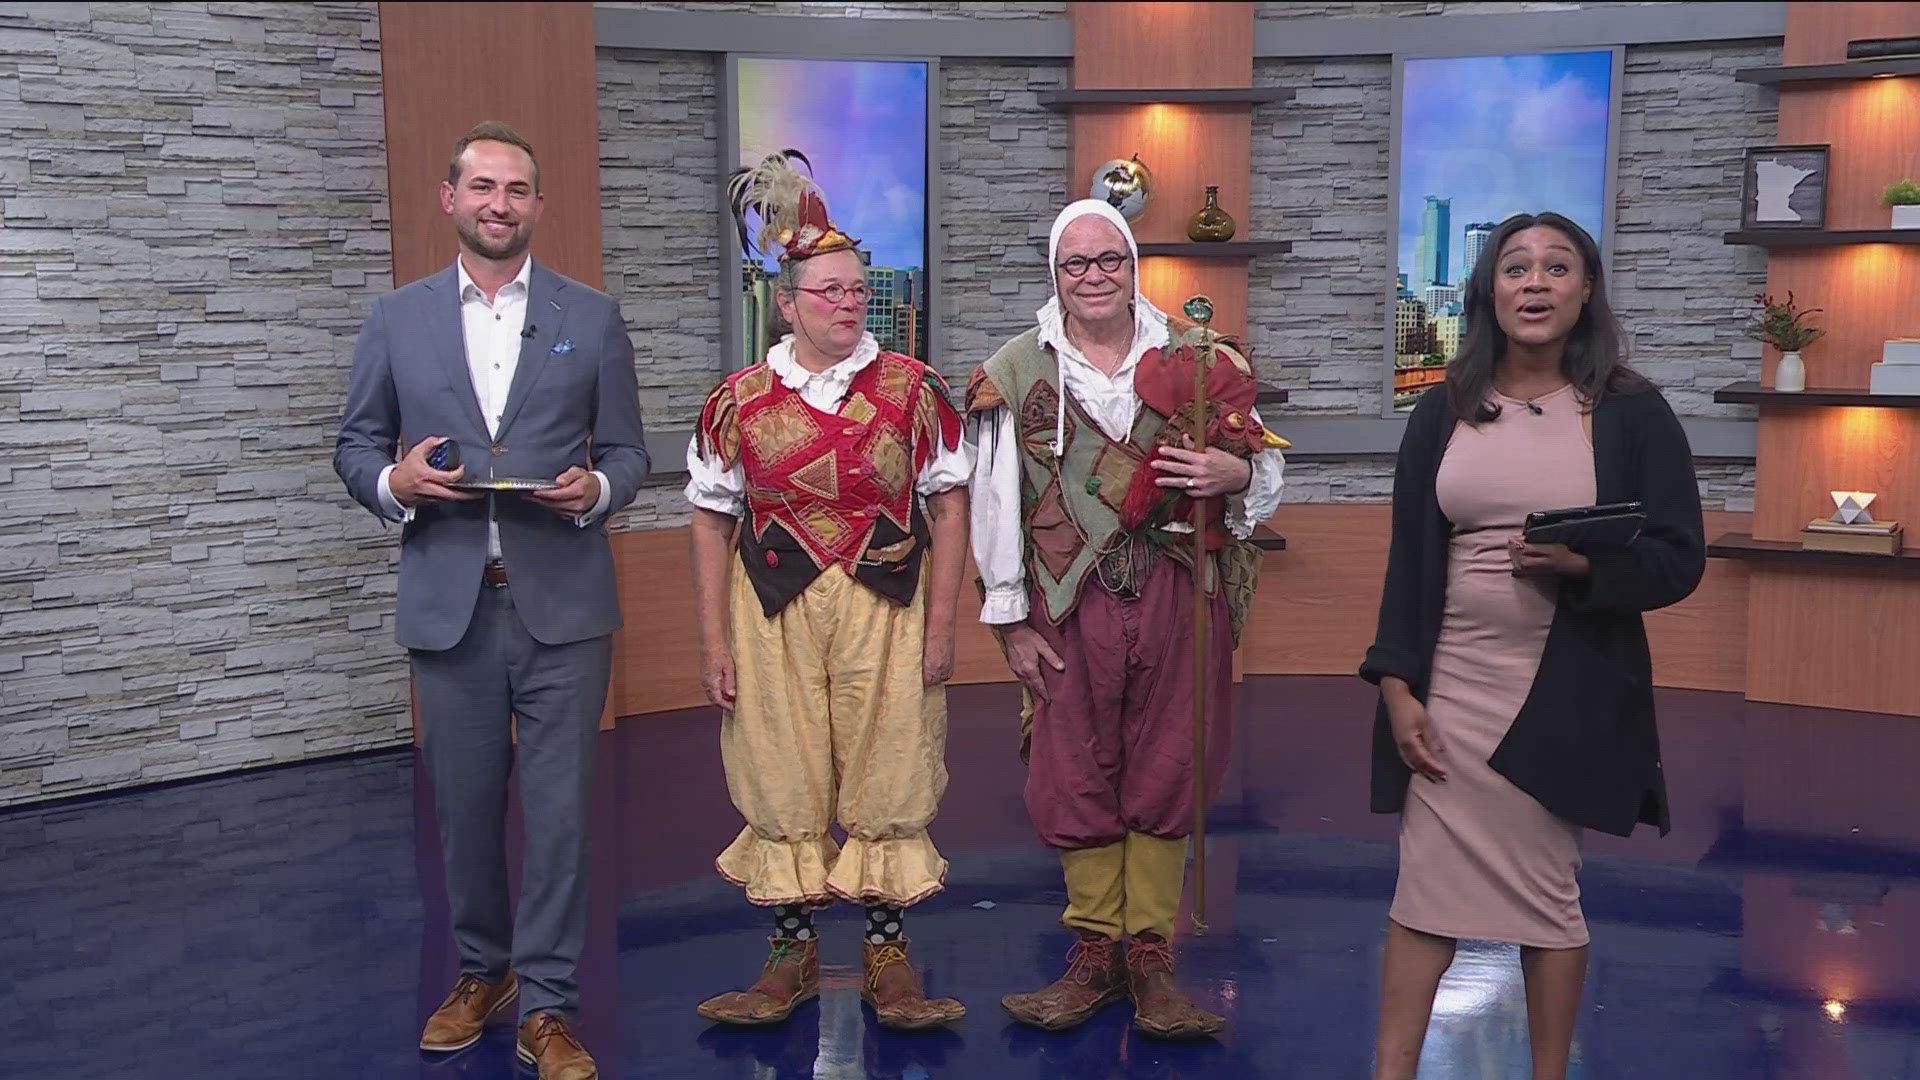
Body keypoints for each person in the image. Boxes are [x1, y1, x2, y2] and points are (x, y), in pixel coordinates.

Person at [334, 121, 649, 1080]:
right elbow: (354, 448)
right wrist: (395, 485)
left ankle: (549, 1006)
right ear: (451, 199)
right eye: (482, 188)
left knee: (559, 819)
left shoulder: (590, 317)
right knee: (465, 814)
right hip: (450, 605)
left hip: (563, 610)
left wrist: (596, 493)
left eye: (516, 189)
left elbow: (630, 454)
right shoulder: (397, 319)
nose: (498, 205)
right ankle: (484, 972)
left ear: (537, 207)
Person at [1359, 212, 1706, 1080]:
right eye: (1516, 268)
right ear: (1490, 291)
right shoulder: (1442, 408)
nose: (1536, 283)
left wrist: (1583, 567)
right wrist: (1398, 688)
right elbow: (1409, 559)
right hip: (1451, 686)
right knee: (1423, 897)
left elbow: (1678, 557)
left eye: (1558, 267)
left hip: (1565, 690)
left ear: (1586, 289)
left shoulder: (1630, 411)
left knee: (1547, 899)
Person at [966, 199, 1287, 1040]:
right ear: (1055, 274)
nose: (1095, 276)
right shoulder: (1015, 370)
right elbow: (995, 500)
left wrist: (1233, 473)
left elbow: (1261, 477)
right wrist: (1010, 620)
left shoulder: (1202, 356)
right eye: (1077, 264)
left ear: (1133, 264)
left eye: (1109, 259)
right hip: (1068, 601)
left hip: (1181, 590)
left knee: (1171, 765)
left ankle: (1150, 954)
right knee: (1073, 768)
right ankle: (1094, 952)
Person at [686, 151, 972, 1031]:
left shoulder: (914, 391)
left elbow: (951, 505)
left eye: (858, 290)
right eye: (829, 292)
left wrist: (944, 629)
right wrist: (713, 643)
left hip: (888, 605)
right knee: (783, 774)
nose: (848, 304)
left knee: (889, 769)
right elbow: (709, 518)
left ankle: (888, 954)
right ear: (788, 302)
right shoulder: (739, 399)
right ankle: (791, 955)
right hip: (771, 609)